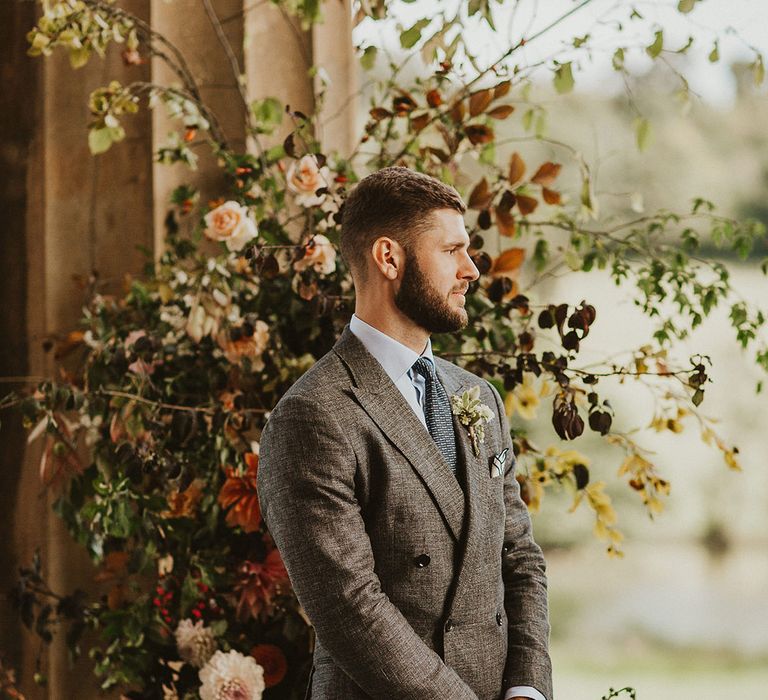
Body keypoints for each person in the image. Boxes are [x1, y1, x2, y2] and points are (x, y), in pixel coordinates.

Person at [256, 166, 552, 700]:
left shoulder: (478, 397)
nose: (472, 270)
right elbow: (351, 608)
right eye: (451, 250)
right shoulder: (312, 415)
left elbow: (519, 557)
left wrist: (527, 688)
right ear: (389, 258)